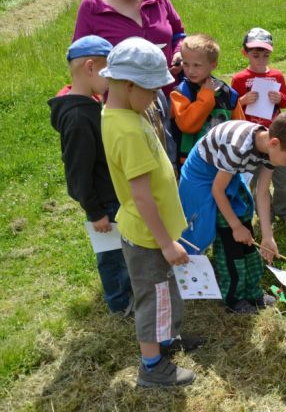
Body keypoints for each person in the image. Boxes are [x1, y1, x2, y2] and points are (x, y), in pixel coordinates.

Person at [100, 37, 205, 386]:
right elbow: (142, 197)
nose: (155, 99)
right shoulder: (127, 130)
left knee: (166, 292)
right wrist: (165, 243)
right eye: (151, 91)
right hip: (148, 237)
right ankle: (151, 366)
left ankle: (167, 341)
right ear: (129, 85)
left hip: (155, 232)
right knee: (153, 298)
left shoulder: (123, 112)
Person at [178, 114, 286, 314]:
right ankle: (224, 293)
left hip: (226, 173)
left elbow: (262, 192)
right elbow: (218, 190)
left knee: (243, 211)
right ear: (274, 143)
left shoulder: (270, 149)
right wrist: (235, 227)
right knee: (206, 230)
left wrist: (268, 237)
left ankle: (250, 291)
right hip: (201, 175)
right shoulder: (238, 148)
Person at [48, 35, 132, 316]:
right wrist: (95, 212)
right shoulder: (77, 118)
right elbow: (77, 174)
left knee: (123, 252)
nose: (112, 79)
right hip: (103, 203)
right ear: (90, 67)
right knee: (112, 257)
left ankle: (126, 293)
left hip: (112, 195)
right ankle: (120, 303)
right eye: (108, 72)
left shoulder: (89, 103)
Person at [73, 0, 186, 94]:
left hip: (169, 97)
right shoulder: (92, 7)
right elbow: (80, 59)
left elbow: (179, 34)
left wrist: (178, 53)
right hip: (121, 103)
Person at [231, 28, 286, 228]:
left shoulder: (276, 75)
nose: (261, 59)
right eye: (255, 54)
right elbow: (231, 106)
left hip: (277, 135)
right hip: (252, 139)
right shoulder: (239, 79)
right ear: (245, 53)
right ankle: (264, 214)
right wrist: (242, 100)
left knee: (284, 180)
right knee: (257, 181)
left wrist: (281, 98)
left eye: (266, 55)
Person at [170, 33, 244, 170]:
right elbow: (187, 125)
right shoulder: (180, 93)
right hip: (189, 164)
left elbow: (239, 128)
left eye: (197, 65)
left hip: (221, 163)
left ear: (213, 65)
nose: (190, 70)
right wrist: (205, 97)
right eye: (185, 64)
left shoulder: (229, 95)